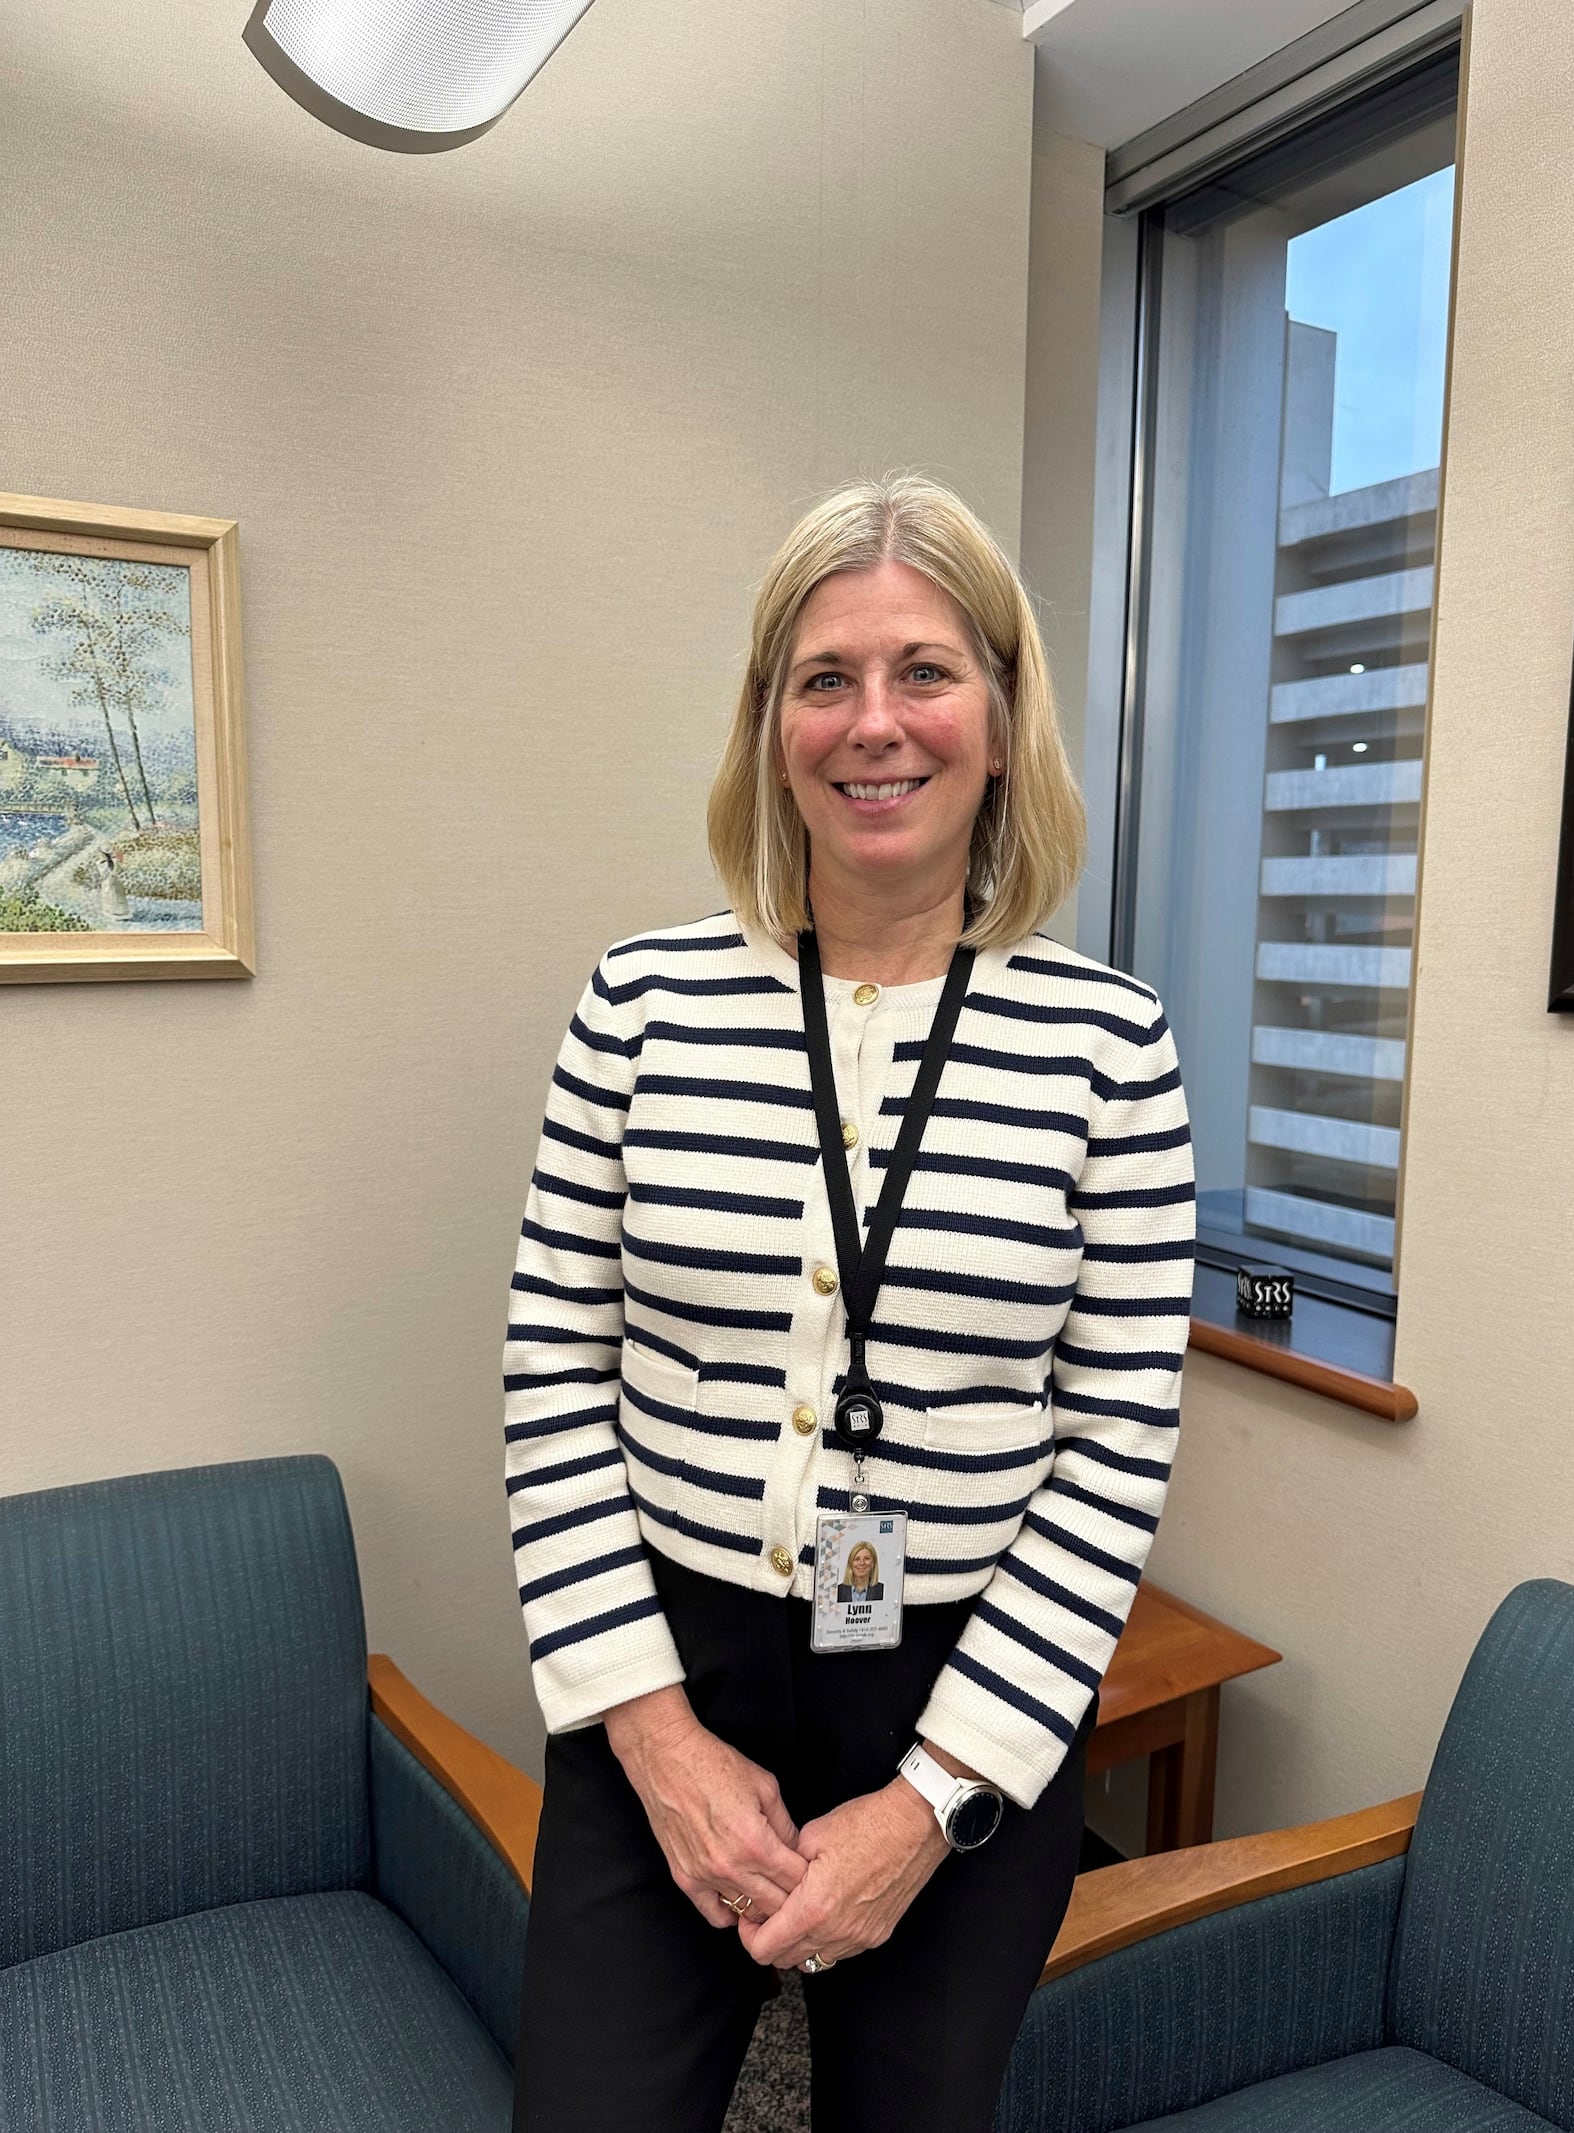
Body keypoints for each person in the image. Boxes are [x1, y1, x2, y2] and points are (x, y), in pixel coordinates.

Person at [504, 474, 1195, 2133]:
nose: (874, 724)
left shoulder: (1113, 1047)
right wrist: (658, 1740)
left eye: (925, 671)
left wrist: (933, 1798)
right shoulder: (640, 1001)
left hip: (962, 1693)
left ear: (1005, 714)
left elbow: (1112, 1453)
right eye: (826, 677)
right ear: (771, 721)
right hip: (666, 1664)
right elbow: (551, 1371)